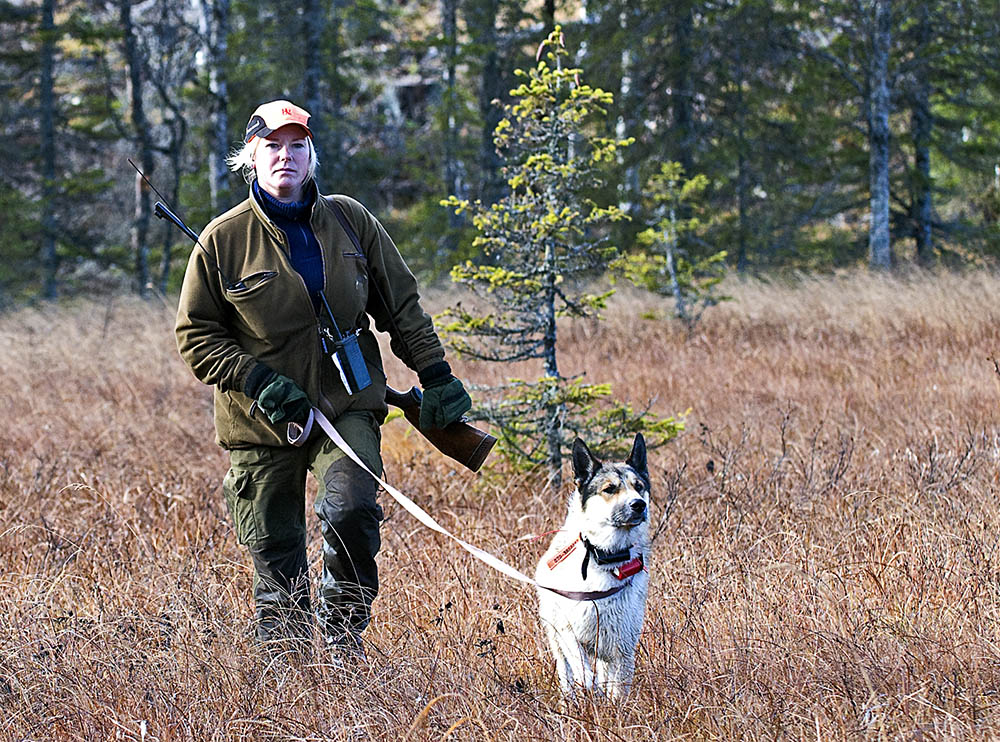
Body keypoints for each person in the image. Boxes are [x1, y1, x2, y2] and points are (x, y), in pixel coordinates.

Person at [175, 99, 472, 656]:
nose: (285, 156)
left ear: (311, 154)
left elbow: (401, 306)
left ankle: (343, 642)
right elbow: (196, 336)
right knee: (274, 547)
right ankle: (290, 674)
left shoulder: (351, 220)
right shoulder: (223, 239)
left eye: (297, 145)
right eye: (273, 146)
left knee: (352, 509)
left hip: (346, 404)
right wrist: (259, 382)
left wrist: (436, 374)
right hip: (262, 421)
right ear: (252, 157)